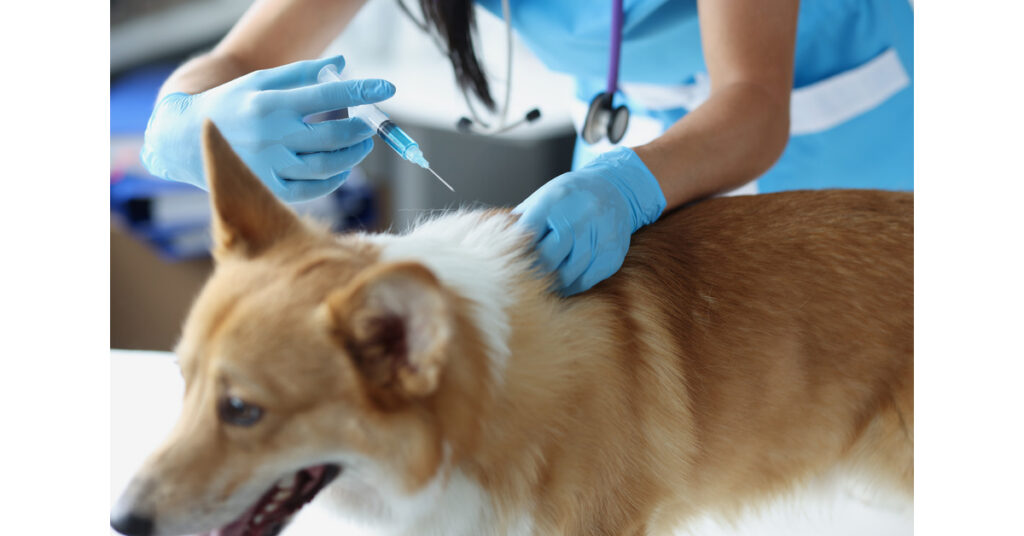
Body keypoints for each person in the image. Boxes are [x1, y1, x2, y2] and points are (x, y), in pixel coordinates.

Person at [141, 0, 914, 295]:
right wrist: (187, 122)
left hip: (857, 125)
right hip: (636, 137)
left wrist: (629, 187)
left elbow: (749, 105)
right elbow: (237, 59)